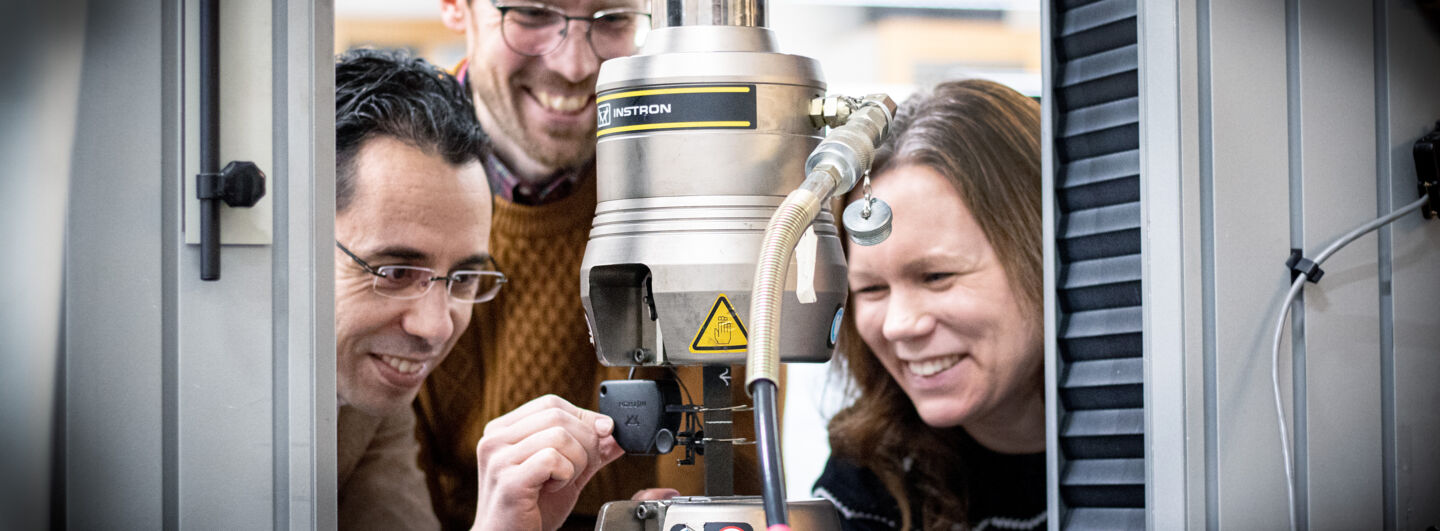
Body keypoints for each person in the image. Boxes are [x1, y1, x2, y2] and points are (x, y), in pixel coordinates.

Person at [418, 2, 757, 528]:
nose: (575, 66)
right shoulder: (384, 178)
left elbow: (732, 459)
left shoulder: (699, 172)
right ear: (455, 7)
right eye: (531, 13)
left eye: (613, 19)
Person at [333, 48, 624, 531]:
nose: (436, 327)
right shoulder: (197, 414)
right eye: (394, 272)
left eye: (464, 279)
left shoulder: (370, 402)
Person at [814, 79, 1045, 531]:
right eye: (872, 289)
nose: (900, 326)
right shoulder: (870, 473)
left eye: (937, 277)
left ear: (1042, 254)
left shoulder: (1171, 455)